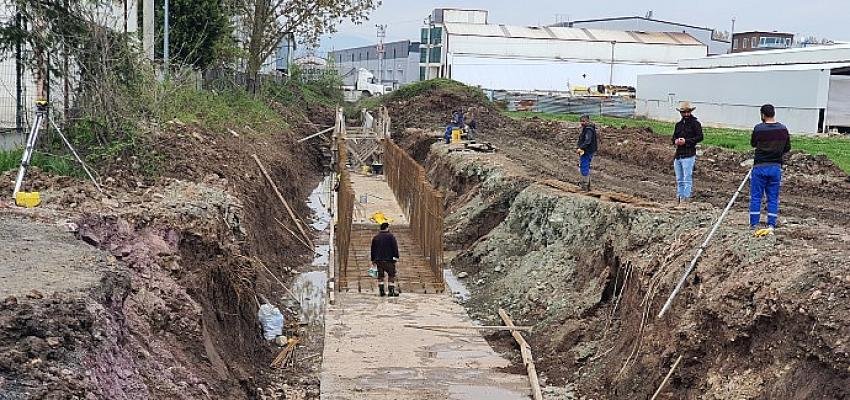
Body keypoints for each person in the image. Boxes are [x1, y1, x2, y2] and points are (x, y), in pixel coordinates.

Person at [750, 104, 791, 236]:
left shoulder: (759, 128)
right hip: (775, 167)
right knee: (773, 197)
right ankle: (771, 224)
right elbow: (787, 148)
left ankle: (754, 224)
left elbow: (753, 143)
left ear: (762, 115)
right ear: (773, 113)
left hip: (760, 166)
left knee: (756, 197)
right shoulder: (783, 129)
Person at [672, 101, 704, 204]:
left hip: (689, 154)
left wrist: (686, 141)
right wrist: (675, 141)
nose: (686, 114)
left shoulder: (695, 124)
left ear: (690, 112)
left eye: (687, 112)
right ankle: (680, 198)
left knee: (687, 178)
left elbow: (700, 137)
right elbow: (674, 137)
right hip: (679, 154)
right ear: (681, 113)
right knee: (679, 179)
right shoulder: (678, 125)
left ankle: (685, 199)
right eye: (683, 112)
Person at [370, 222, 400, 296]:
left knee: (380, 276)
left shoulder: (376, 237)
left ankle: (381, 291)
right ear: (387, 228)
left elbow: (372, 249)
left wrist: (373, 259)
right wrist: (396, 257)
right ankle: (391, 291)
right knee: (391, 275)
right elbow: (395, 248)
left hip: (378, 260)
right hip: (389, 260)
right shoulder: (391, 237)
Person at [576, 115, 598, 191]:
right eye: (581, 121)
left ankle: (585, 186)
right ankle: (586, 185)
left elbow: (587, 141)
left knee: (584, 166)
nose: (582, 123)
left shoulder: (589, 130)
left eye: (584, 121)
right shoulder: (588, 128)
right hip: (588, 150)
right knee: (585, 166)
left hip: (587, 151)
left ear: (588, 121)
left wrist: (581, 148)